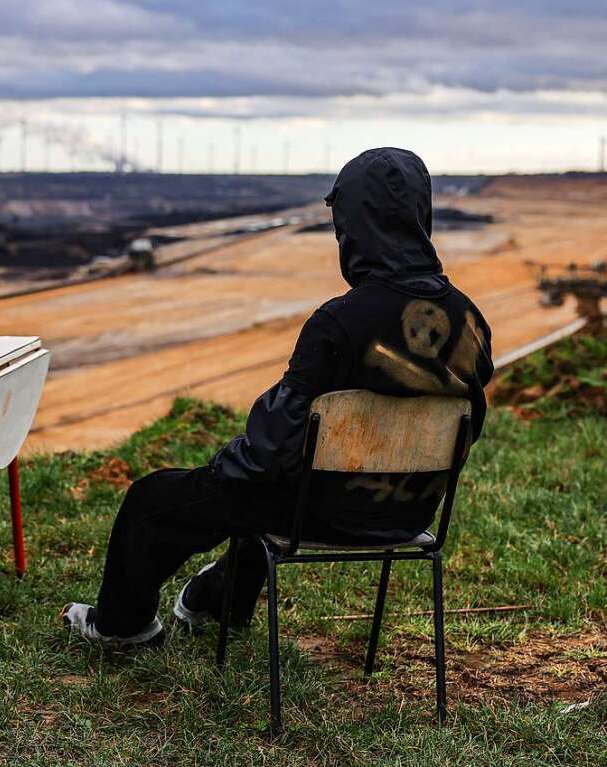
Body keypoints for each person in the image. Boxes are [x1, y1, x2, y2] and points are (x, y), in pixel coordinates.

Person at [62, 147, 494, 646]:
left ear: (353, 225)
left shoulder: (338, 322)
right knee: (270, 488)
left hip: (316, 511)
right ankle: (213, 600)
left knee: (154, 499)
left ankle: (122, 626)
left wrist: (216, 473)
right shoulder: (471, 319)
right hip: (410, 514)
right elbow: (468, 428)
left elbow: (267, 451)